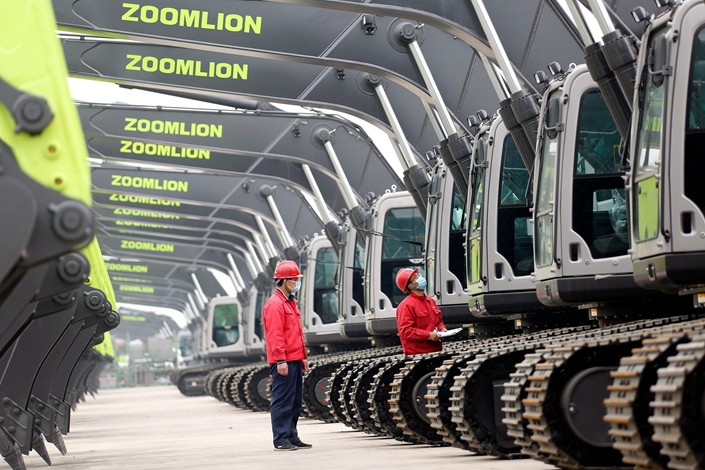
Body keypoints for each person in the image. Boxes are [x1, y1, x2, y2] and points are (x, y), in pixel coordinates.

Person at [262, 260, 311, 451]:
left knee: (295, 401)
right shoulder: (275, 304)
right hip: (283, 361)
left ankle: (292, 435)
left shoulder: (290, 302)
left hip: (294, 359)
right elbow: (276, 335)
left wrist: (303, 357)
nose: (297, 283)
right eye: (295, 279)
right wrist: (280, 359)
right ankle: (281, 439)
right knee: (283, 400)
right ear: (284, 281)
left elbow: (296, 333)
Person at [394, 268, 448, 356]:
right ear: (411, 286)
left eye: (418, 275)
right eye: (415, 278)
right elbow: (406, 331)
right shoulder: (405, 306)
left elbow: (438, 321)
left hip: (436, 351)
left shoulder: (430, 301)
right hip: (418, 356)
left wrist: (442, 328)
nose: (420, 278)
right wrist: (428, 335)